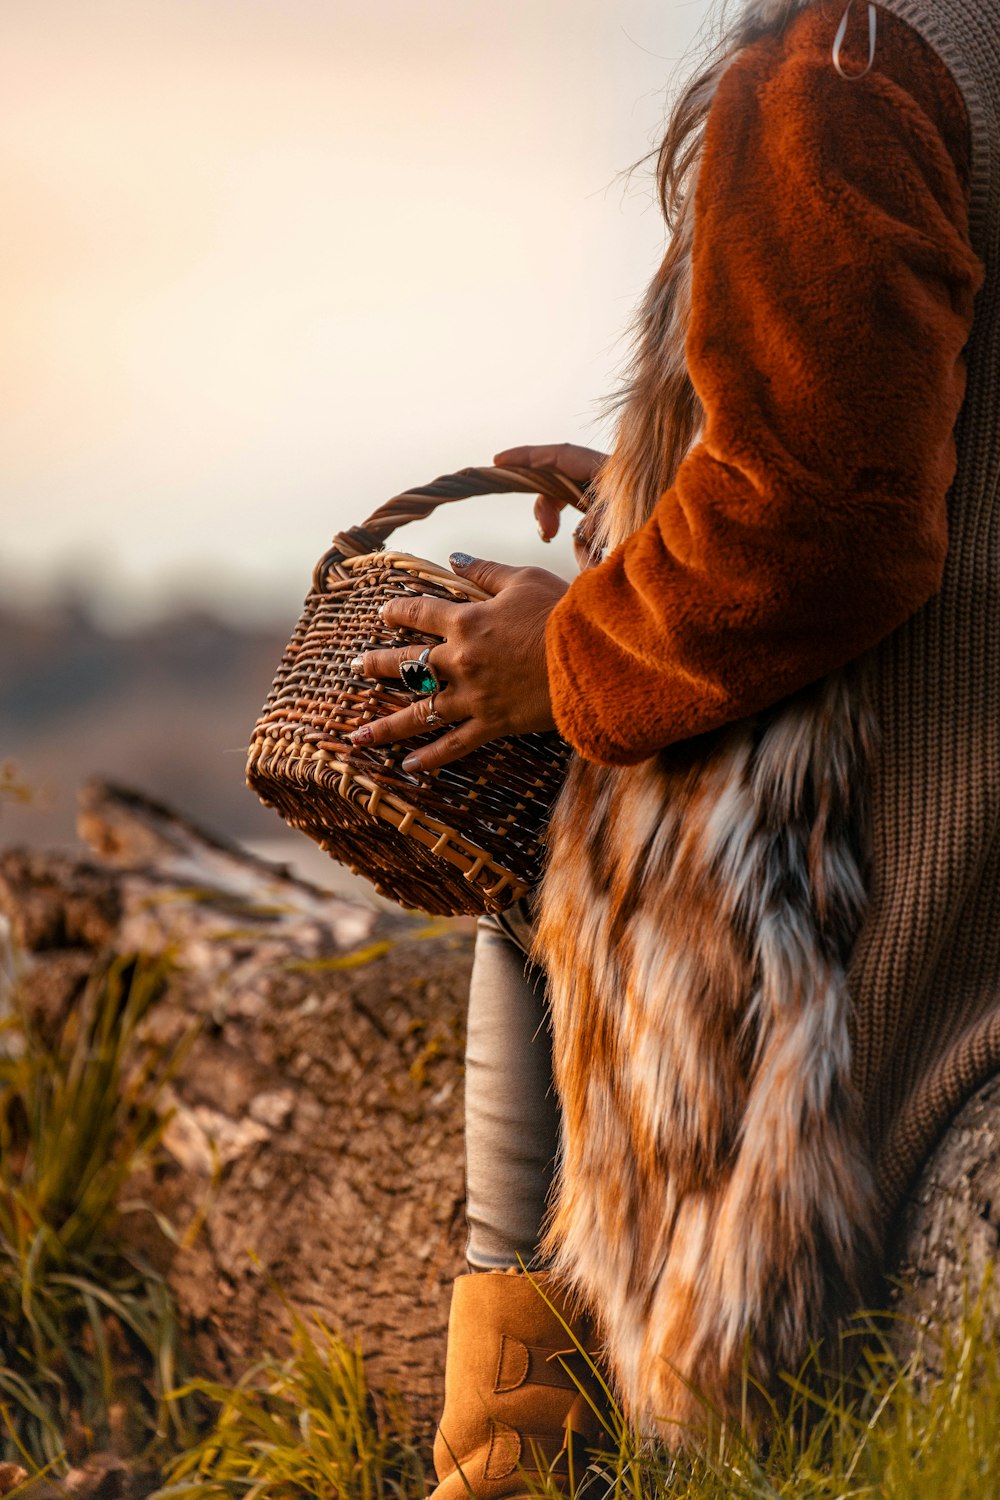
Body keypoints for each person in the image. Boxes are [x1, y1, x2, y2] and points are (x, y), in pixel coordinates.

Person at [349, 0, 997, 1477]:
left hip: (863, 838)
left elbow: (819, 521)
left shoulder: (846, 70)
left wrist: (565, 653)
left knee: (531, 864)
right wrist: (657, 483)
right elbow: (897, 432)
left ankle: (507, 1463)